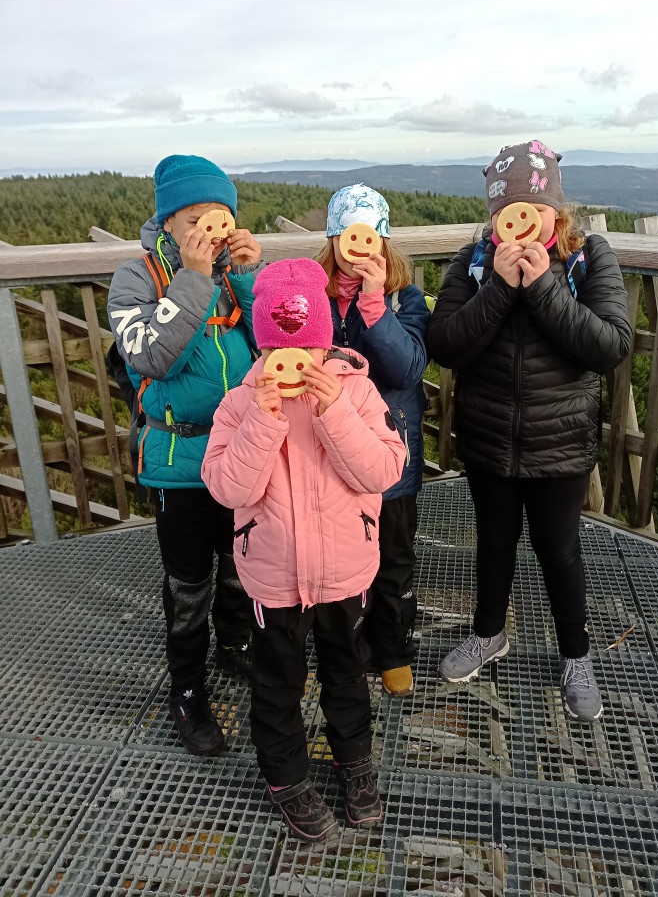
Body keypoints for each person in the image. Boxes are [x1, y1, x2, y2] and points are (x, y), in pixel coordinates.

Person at [201, 258, 406, 842]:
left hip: (345, 570)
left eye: (308, 350)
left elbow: (384, 469)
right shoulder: (240, 404)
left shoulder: (357, 391)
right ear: (263, 348)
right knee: (277, 683)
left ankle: (354, 762)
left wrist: (334, 411)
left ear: (325, 343)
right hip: (274, 578)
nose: (295, 363)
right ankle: (286, 777)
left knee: (348, 673)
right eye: (278, 351)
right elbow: (228, 489)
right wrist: (261, 423)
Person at [427, 140, 632, 721]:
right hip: (489, 435)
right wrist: (498, 287)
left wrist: (542, 287)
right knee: (493, 543)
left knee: (559, 551)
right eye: (506, 211)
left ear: (555, 211)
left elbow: (609, 347)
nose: (520, 222)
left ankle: (576, 654)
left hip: (560, 440)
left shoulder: (588, 256)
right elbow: (445, 345)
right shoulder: (474, 262)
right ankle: (488, 633)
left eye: (534, 208)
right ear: (494, 215)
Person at [107, 154, 261, 756]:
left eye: (218, 216)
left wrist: (247, 276)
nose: (208, 229)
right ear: (167, 222)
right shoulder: (136, 278)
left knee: (242, 563)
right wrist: (194, 278)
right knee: (189, 582)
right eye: (194, 218)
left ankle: (235, 644)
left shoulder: (232, 272)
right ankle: (188, 688)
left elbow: (277, 341)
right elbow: (152, 358)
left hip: (241, 453)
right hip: (180, 458)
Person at [317, 184, 430, 698]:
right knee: (343, 561)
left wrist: (373, 303)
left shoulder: (404, 298)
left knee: (393, 560)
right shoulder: (313, 296)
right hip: (332, 457)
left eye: (368, 236)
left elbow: (407, 368)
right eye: (347, 236)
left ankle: (394, 650)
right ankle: (351, 651)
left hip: (389, 458)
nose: (358, 248)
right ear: (333, 239)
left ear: (383, 241)